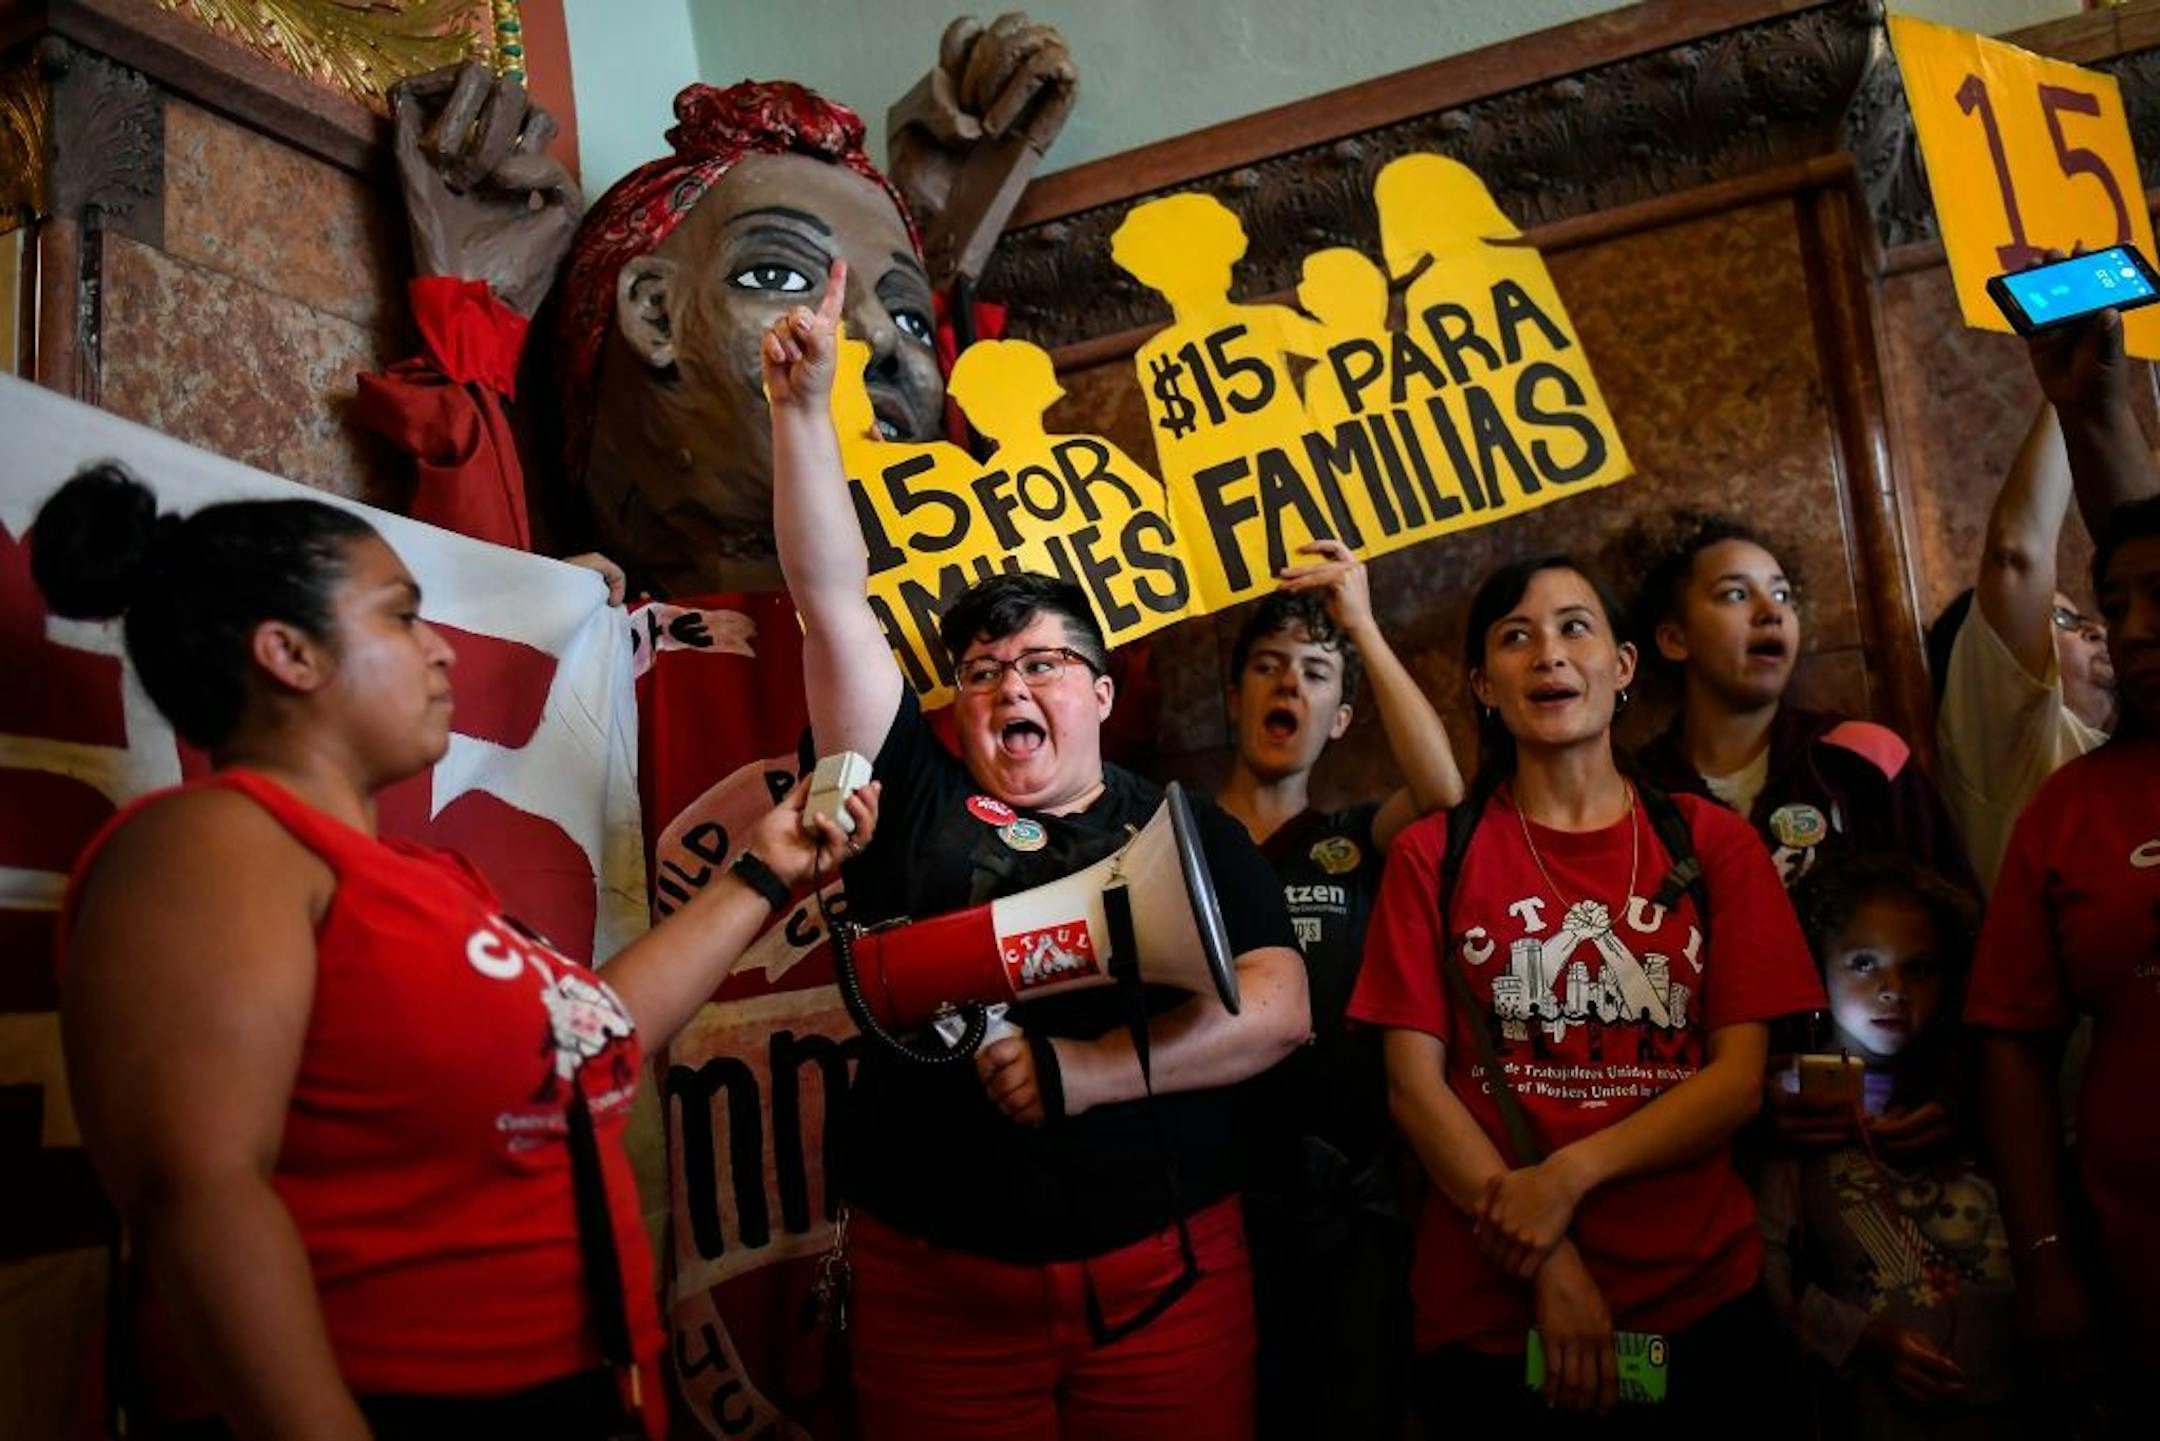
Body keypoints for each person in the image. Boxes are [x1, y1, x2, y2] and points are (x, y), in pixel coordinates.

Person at [32, 463, 876, 1440]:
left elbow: (598, 1038)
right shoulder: (214, 844)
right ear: (287, 653)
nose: (440, 651)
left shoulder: (424, 881)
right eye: (400, 618)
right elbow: (200, 1188)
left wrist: (764, 871)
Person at [763, 264, 1308, 1439]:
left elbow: (1280, 1005)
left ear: (1104, 695)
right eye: (982, 672)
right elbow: (830, 605)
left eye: (1045, 664)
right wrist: (803, 416)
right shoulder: (908, 794)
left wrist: (1091, 1072)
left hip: (1167, 1278)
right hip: (939, 1298)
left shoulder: (1184, 825)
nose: (1011, 683)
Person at [1349, 553, 1823, 1433]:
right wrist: (1547, 1260)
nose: (1549, 655)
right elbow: (1415, 1088)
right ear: (1484, 686)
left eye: (1575, 628)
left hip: (1697, 1294)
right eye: (1515, 638)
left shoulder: (1714, 843)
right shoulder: (1434, 857)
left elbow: (1735, 1080)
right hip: (1489, 1313)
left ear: (1627, 665)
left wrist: (1568, 1176)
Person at [1214, 545, 1462, 1440]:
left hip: (1350, 1211)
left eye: (1315, 673)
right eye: (1269, 666)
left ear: (1341, 715)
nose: (1289, 684)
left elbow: (1442, 792)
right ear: (1235, 694)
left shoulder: (1354, 842)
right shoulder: (1179, 837)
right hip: (1217, 1204)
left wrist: (1360, 621)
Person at [1966, 494, 2160, 1424]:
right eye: (2113, 605)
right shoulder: (2068, 809)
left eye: (2159, 596)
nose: (2133, 630)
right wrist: (2044, 1258)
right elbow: (2012, 1040)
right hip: (2141, 1267)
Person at [1757, 855, 2024, 1439]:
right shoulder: (1792, 1107)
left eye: (1920, 968)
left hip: (2010, 1395)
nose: (1894, 990)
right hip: (1875, 1408)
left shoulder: (1981, 1094)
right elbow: (1765, 1271)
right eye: (1863, 963)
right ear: (1815, 967)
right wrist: (1864, 1339)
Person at [1628, 510, 1972, 892]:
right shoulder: (1637, 792)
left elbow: (1955, 918)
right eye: (1736, 594)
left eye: (1782, 595)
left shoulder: (1859, 758)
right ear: (1675, 639)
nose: (1771, 612)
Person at [1925, 401, 2116, 891]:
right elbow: (2017, 555)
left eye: (2087, 618)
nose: (2095, 631)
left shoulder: (2127, 750)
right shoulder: (2006, 746)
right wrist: (2071, 396)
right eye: (2061, 619)